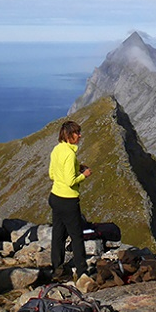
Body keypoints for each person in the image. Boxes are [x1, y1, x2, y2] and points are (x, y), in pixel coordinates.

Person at [48, 119, 91, 278]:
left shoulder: (57, 149)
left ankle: (57, 269)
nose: (80, 136)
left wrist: (75, 168)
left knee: (58, 234)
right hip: (68, 199)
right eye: (77, 133)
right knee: (76, 236)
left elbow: (52, 174)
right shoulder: (70, 154)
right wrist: (83, 175)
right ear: (69, 135)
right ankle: (82, 272)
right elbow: (70, 181)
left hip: (55, 197)